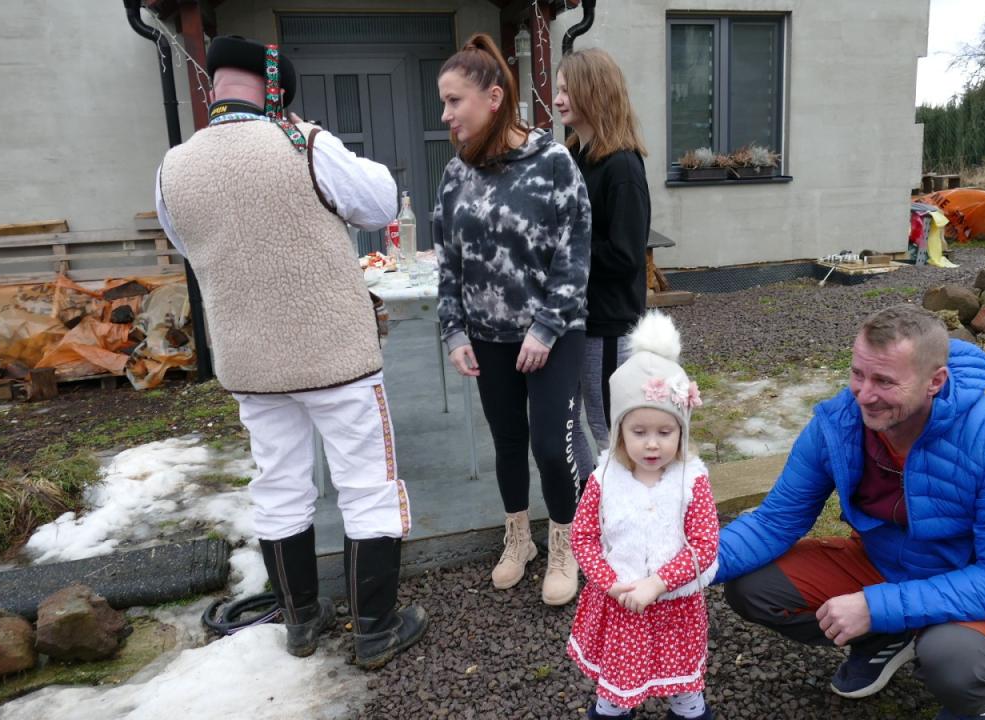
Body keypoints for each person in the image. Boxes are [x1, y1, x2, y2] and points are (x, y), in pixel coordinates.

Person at [155, 36, 427, 668]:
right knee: (368, 485)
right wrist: (310, 136)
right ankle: (374, 628)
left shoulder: (173, 168)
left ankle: (301, 621)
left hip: (250, 360)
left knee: (277, 484)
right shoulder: (304, 142)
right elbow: (381, 202)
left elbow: (187, 243)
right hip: (334, 354)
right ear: (274, 90)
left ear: (215, 87)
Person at [716, 305, 985, 720]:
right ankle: (887, 638)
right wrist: (682, 569)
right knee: (754, 587)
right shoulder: (838, 424)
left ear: (935, 381)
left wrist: (875, 607)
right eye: (858, 374)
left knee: (955, 662)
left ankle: (974, 703)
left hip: (963, 581)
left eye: (885, 381)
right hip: (879, 564)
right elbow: (774, 521)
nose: (864, 395)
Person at [434, 33, 592, 606]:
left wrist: (545, 328)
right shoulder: (456, 173)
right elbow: (447, 259)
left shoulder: (553, 163)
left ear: (494, 98)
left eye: (455, 101)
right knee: (507, 442)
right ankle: (519, 539)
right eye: (444, 102)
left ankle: (564, 545)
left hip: (554, 335)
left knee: (550, 445)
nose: (446, 114)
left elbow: (575, 254)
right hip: (488, 337)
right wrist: (454, 329)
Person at [567, 311, 718, 720]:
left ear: (682, 431)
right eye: (639, 432)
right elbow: (583, 537)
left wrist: (659, 582)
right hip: (622, 605)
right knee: (617, 690)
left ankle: (687, 712)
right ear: (619, 431)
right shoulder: (604, 479)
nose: (652, 444)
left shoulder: (691, 480)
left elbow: (705, 545)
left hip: (675, 608)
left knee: (683, 689)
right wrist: (609, 582)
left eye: (665, 432)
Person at [553, 49, 651, 476]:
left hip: (608, 324)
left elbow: (626, 255)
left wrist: (563, 250)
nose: (558, 99)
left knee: (609, 428)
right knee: (567, 423)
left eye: (566, 90)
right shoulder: (575, 156)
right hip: (573, 319)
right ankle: (590, 504)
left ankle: (626, 506)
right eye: (558, 89)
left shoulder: (622, 167)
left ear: (593, 93)